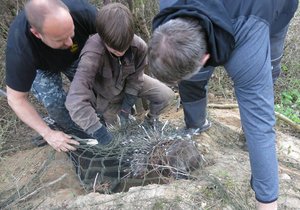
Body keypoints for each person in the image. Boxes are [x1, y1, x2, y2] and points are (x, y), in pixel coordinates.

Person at [148, 0, 299, 209]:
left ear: (205, 58)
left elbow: (261, 128)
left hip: (270, 9)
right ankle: (196, 124)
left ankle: (245, 135)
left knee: (266, 73)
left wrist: (266, 201)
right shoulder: (167, 12)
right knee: (189, 74)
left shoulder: (249, 43)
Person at [65, 3, 174, 140]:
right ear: (103, 39)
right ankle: (112, 124)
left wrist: (127, 106)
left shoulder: (139, 46)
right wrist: (99, 133)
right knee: (119, 133)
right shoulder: (92, 53)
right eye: (115, 50)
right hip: (106, 96)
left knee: (166, 95)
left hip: (129, 82)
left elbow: (136, 78)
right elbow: (75, 100)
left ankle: (150, 121)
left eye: (125, 47)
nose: (121, 52)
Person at [5, 0, 98, 153]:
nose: (69, 42)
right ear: (36, 33)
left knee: (95, 88)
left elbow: (116, 38)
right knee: (55, 104)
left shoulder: (83, 11)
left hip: (79, 55)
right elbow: (16, 99)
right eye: (60, 39)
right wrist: (47, 133)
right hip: (42, 67)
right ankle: (80, 138)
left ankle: (100, 123)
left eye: (71, 33)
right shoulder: (20, 49)